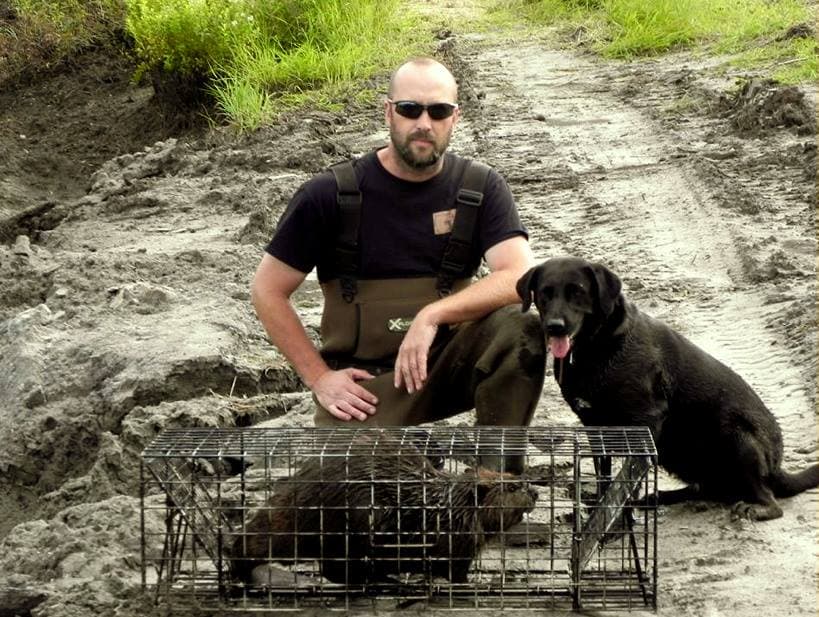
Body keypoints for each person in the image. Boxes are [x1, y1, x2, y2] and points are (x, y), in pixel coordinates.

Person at [251, 57, 546, 468]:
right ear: (388, 112)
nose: (424, 123)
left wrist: (432, 316)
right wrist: (319, 378)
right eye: (410, 109)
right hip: (365, 387)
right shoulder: (327, 195)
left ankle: (495, 481)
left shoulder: (481, 187)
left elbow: (519, 275)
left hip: (445, 366)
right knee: (352, 486)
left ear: (455, 118)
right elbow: (267, 290)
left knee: (522, 326)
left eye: (438, 111)